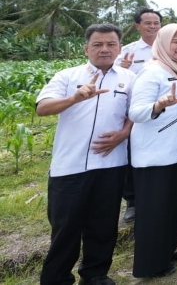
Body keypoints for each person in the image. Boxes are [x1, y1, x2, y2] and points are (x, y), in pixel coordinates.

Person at [37, 23, 136, 285]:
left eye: (111, 44)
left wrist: (124, 133)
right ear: (86, 48)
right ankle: (56, 279)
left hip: (111, 164)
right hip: (70, 166)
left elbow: (134, 112)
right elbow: (42, 107)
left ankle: (95, 275)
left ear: (119, 48)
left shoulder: (129, 78)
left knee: (103, 226)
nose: (105, 49)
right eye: (97, 44)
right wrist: (74, 98)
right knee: (65, 229)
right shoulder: (68, 76)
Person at [128, 24, 177, 278]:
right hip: (155, 155)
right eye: (176, 41)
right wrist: (158, 105)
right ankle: (150, 265)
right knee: (154, 212)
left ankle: (168, 251)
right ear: (164, 43)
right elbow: (136, 112)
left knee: (174, 206)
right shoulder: (152, 71)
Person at [117, 7, 163, 222]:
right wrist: (123, 68)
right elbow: (115, 79)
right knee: (131, 153)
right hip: (135, 112)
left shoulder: (170, 47)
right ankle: (133, 200)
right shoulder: (128, 52)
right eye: (148, 23)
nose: (152, 26)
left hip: (165, 109)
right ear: (138, 26)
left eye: (156, 23)